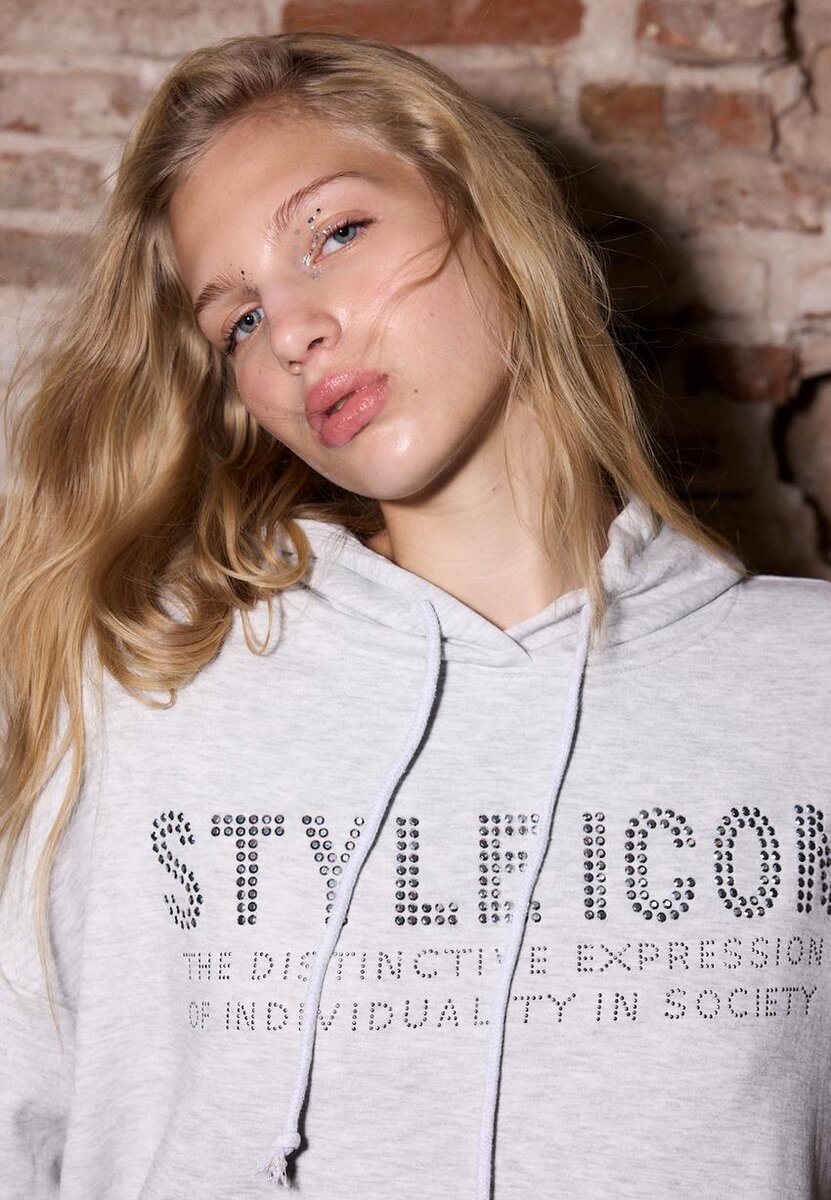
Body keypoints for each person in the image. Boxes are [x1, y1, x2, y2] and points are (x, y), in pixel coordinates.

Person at [0, 30, 829, 1200]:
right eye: (238, 321)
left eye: (334, 234)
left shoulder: (809, 691)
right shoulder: (146, 690)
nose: (293, 331)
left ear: (491, 215)